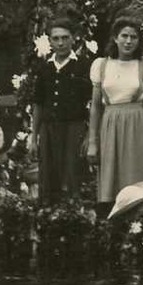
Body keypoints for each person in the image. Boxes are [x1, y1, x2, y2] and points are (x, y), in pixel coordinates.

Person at [88, 16, 143, 216]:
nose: (128, 41)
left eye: (133, 37)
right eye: (124, 36)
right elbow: (95, 107)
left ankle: (139, 229)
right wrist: (93, 142)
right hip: (110, 126)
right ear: (115, 39)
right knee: (111, 183)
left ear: (139, 41)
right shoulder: (101, 65)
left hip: (138, 127)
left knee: (139, 185)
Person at [30, 18, 93, 205]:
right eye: (55, 38)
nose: (60, 43)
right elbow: (38, 104)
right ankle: (48, 216)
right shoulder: (44, 68)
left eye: (65, 38)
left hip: (75, 128)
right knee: (49, 177)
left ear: (74, 39)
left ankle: (73, 215)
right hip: (49, 129)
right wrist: (34, 138)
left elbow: (93, 103)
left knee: (73, 176)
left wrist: (90, 135)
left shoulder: (84, 65)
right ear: (49, 41)